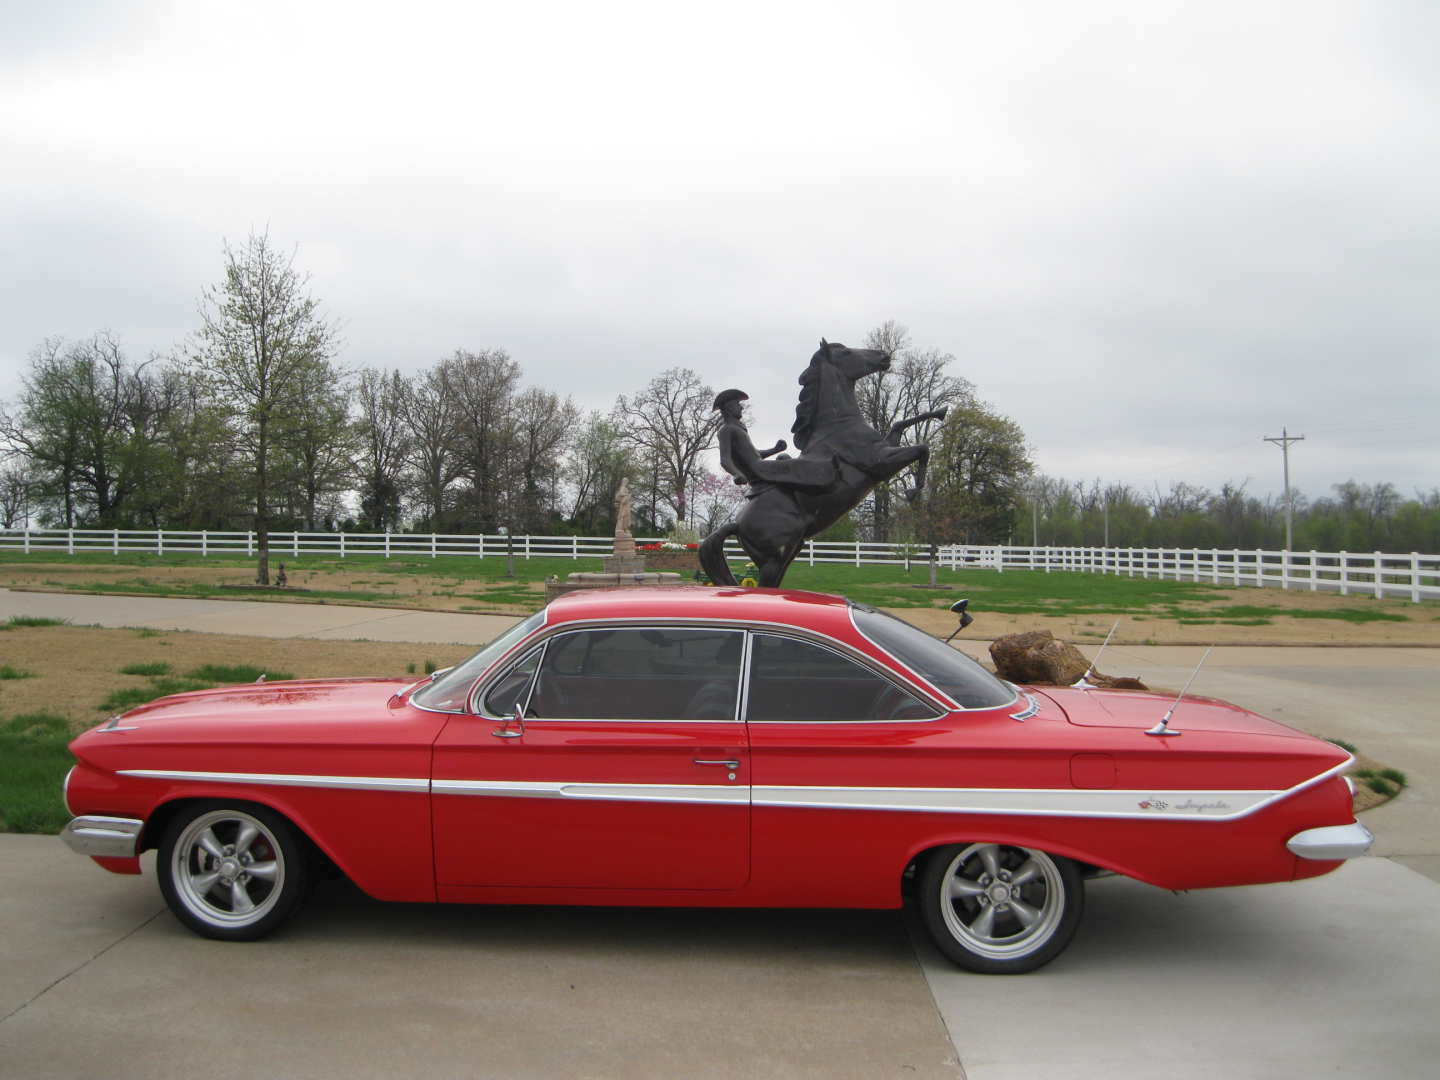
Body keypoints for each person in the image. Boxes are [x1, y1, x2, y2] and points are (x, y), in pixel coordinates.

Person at [714, 389, 837, 496]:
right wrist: (736, 474)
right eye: (737, 404)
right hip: (758, 470)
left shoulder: (738, 428)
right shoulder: (726, 430)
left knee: (783, 457)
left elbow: (753, 454)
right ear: (729, 407)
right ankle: (824, 478)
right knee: (789, 462)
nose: (741, 407)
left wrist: (775, 449)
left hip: (761, 466)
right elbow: (725, 460)